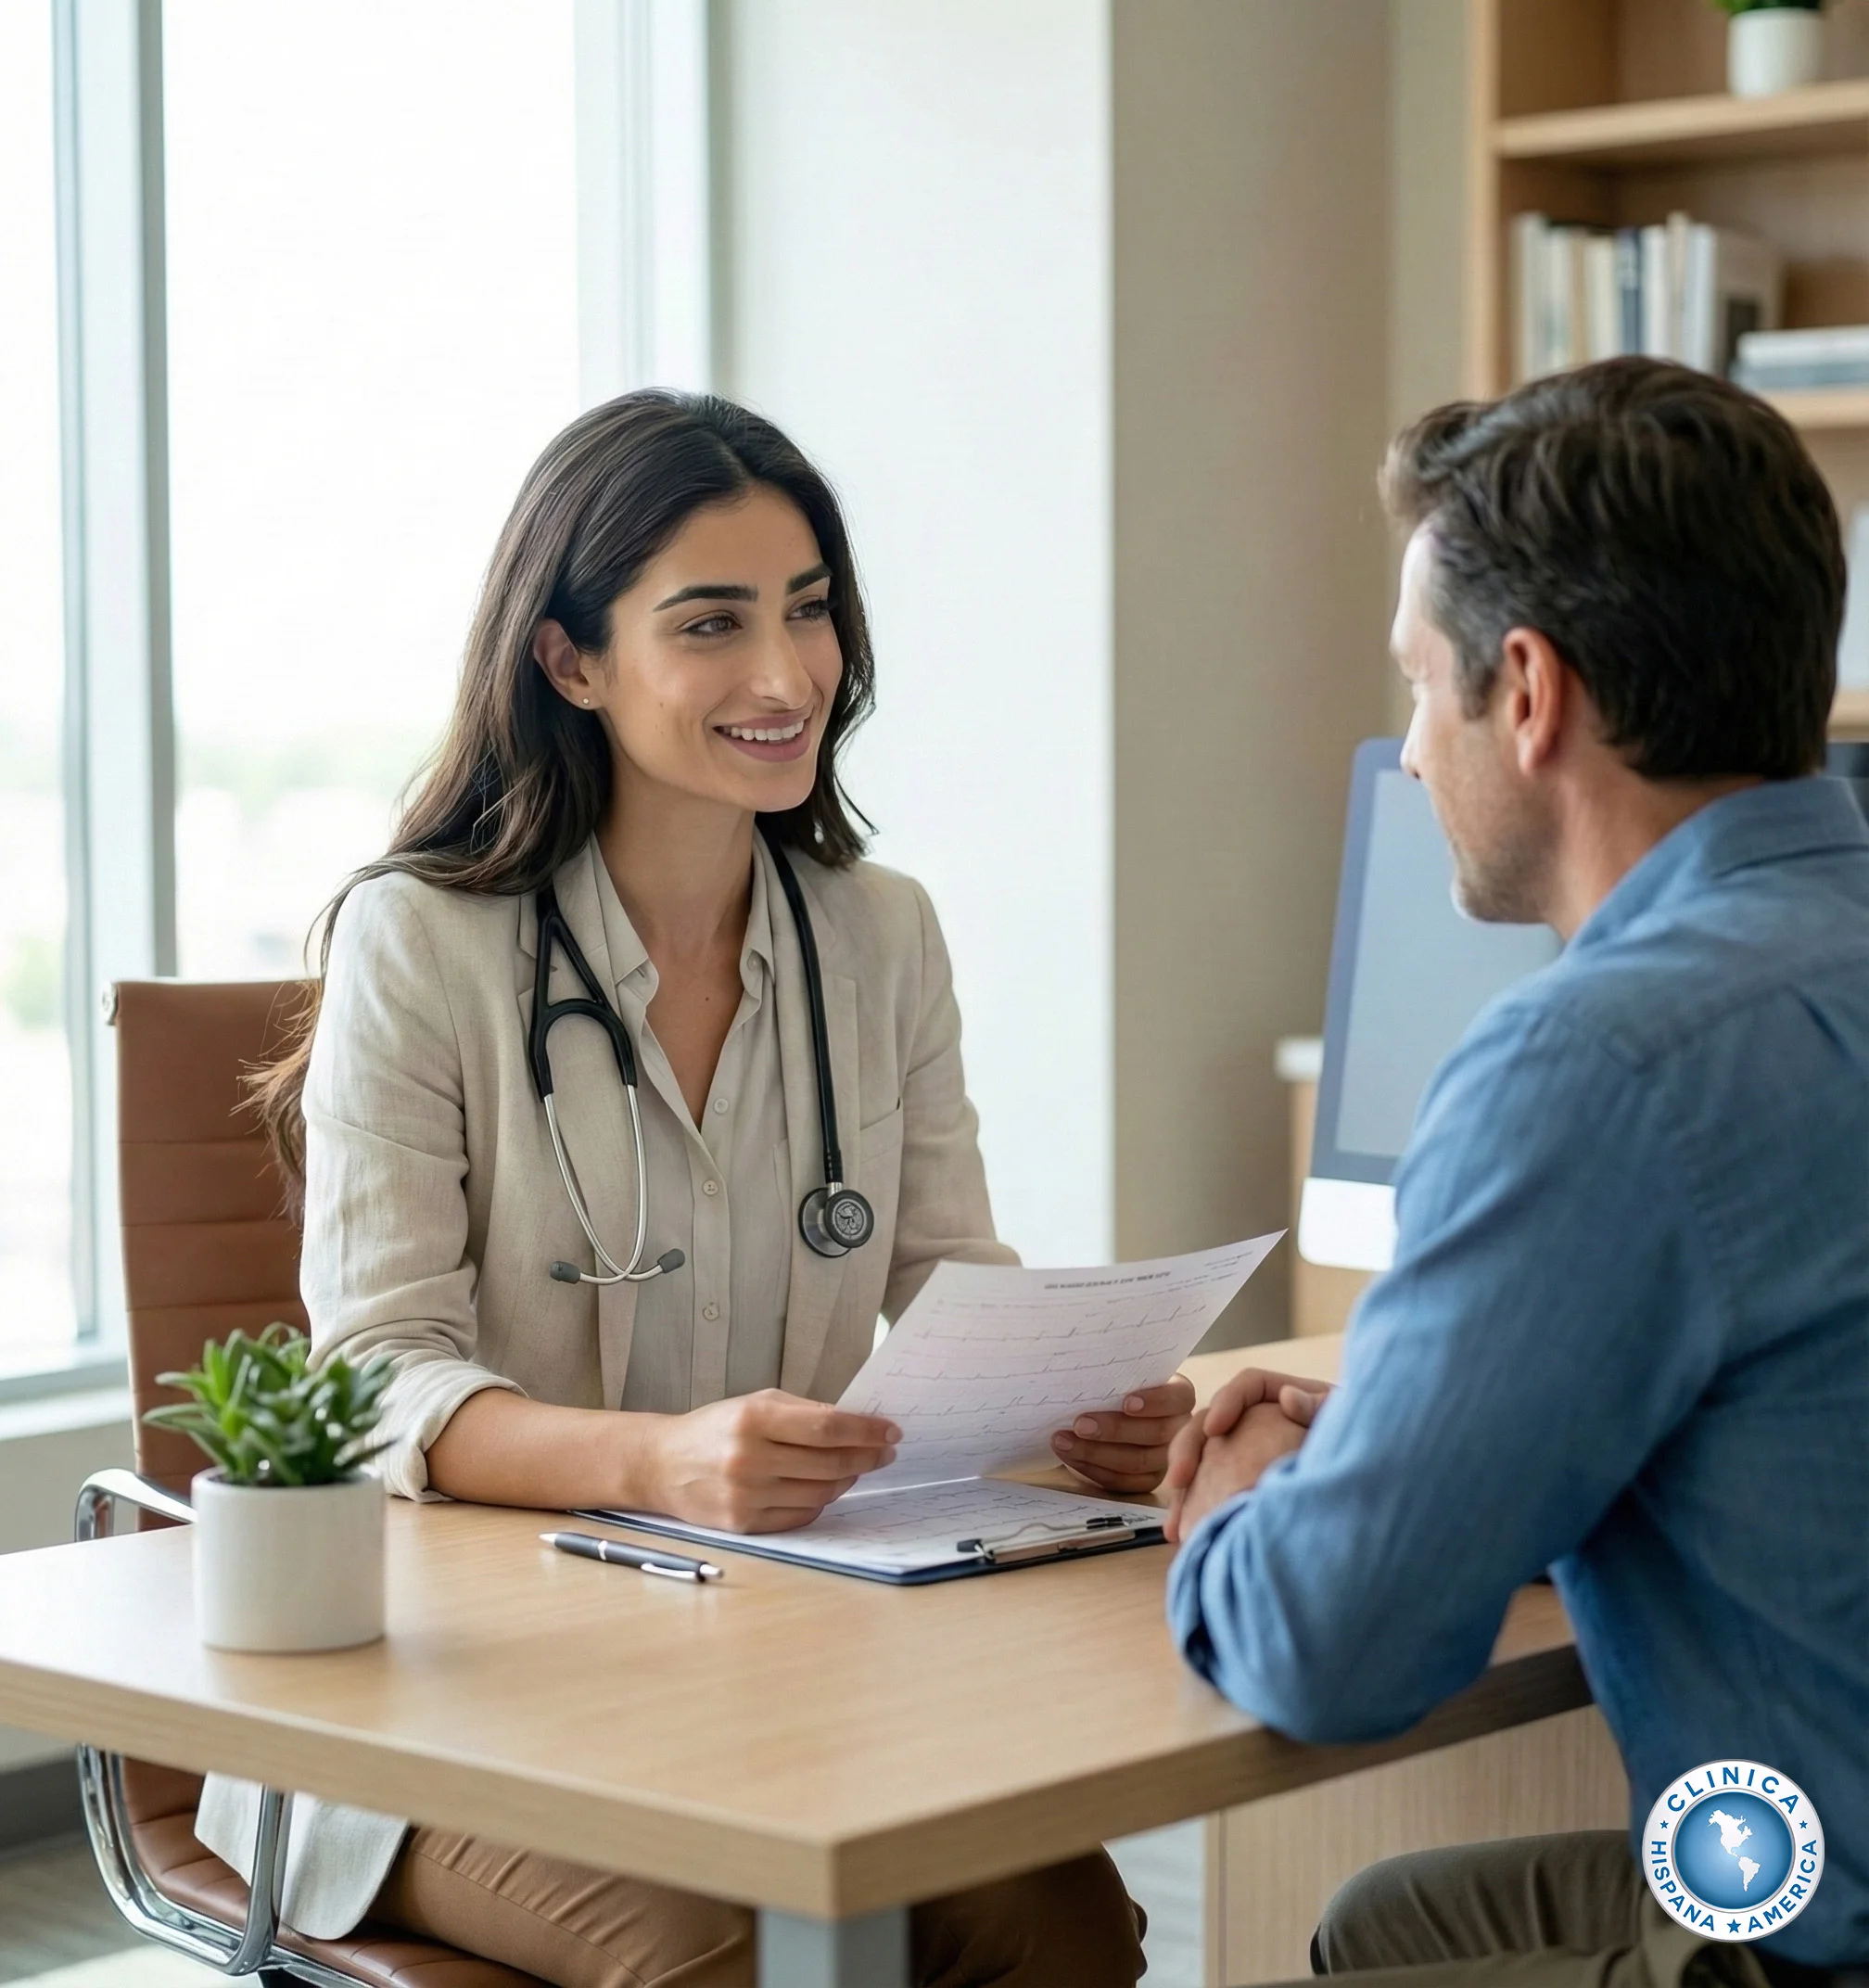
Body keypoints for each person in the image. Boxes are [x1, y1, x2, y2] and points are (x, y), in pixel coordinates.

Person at [200, 391, 1178, 1988]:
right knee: (722, 1954)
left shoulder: (880, 933)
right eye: (712, 623)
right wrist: (661, 1463)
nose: (786, 676)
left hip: (785, 1665)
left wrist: (1073, 1409)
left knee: (1059, 1931)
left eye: (811, 610)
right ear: (570, 660)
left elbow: (951, 1282)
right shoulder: (421, 941)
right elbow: (374, 1378)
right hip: (460, 1705)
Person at [1164, 358, 1869, 1988]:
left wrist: (1243, 1507)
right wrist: (1437, 1446)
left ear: (1531, 691)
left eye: (1424, 685)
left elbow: (1333, 1650)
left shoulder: (1596, 1060)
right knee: (1379, 1926)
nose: (1413, 754)